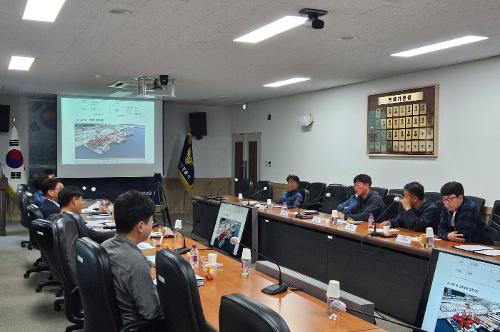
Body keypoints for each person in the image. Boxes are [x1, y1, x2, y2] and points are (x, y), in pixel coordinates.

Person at [101, 190, 162, 325]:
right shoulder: (136, 262)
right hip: (136, 326)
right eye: (152, 221)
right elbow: (152, 312)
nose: (153, 225)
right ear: (141, 226)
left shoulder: (105, 245)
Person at [48, 186, 114, 244]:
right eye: (81, 200)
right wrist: (120, 232)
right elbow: (97, 237)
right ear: (74, 200)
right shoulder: (74, 220)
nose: (82, 203)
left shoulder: (52, 218)